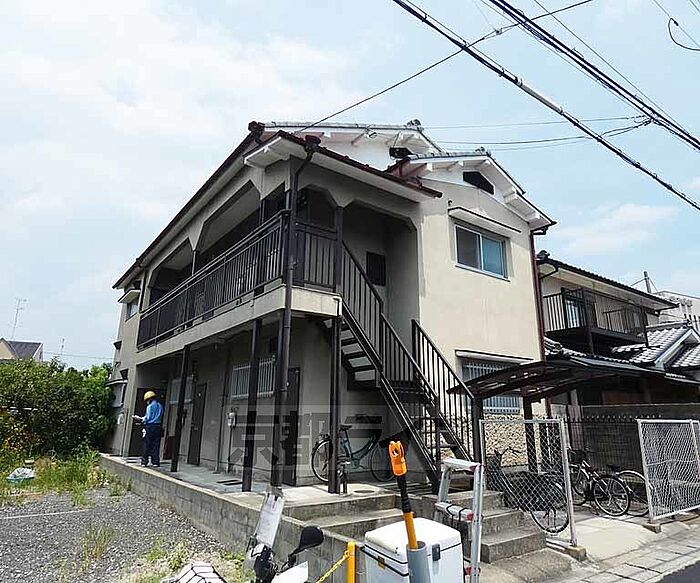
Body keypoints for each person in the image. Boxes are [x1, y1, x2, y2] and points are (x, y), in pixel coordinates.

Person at [133, 390, 163, 467]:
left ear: (149, 399)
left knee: (146, 444)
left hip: (149, 426)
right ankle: (155, 462)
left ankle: (144, 461)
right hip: (158, 426)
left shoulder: (149, 407)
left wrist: (140, 418)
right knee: (156, 445)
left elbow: (148, 418)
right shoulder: (160, 406)